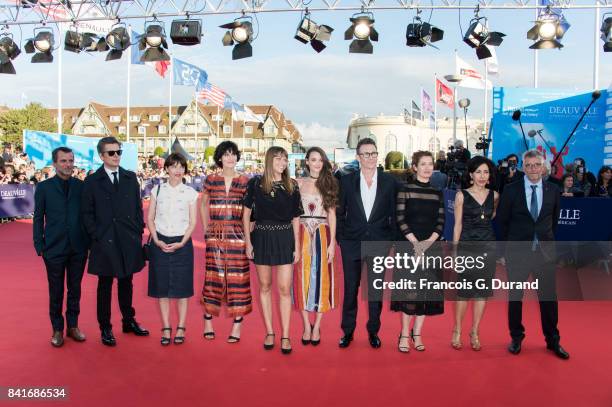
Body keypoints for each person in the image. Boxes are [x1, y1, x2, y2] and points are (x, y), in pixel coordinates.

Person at [496, 149, 569, 359]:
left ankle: (553, 340)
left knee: (548, 299)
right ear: (523, 168)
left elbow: (552, 222)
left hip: (544, 254)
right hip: (517, 254)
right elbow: (502, 222)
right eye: (528, 166)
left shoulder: (554, 190)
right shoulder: (511, 190)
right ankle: (516, 337)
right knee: (515, 297)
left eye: (536, 165)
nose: (533, 169)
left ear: (543, 166)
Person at [81, 136, 149, 346]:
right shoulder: (92, 181)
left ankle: (128, 321)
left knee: (127, 282)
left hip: (128, 239)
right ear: (102, 156)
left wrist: (138, 232)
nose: (116, 156)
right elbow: (87, 213)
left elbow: (138, 209)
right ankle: (106, 327)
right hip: (104, 240)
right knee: (105, 285)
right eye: (111, 153)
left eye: (119, 152)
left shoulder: (130, 178)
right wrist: (97, 236)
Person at [336, 138, 398, 349]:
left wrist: (390, 239)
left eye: (373, 153)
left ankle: (373, 331)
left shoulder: (390, 182)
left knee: (375, 292)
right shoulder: (346, 181)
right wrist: (342, 239)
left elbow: (395, 214)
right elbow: (339, 212)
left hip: (379, 243)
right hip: (351, 243)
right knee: (350, 290)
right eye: (366, 154)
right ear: (358, 157)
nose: (370, 157)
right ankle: (348, 331)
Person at [243, 146, 303, 354]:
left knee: (285, 289)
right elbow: (246, 214)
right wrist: (248, 242)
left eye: (284, 159)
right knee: (265, 286)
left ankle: (285, 335)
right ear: (269, 160)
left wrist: (296, 245)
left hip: (285, 237)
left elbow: (296, 217)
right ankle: (270, 331)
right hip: (262, 237)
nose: (282, 163)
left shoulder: (292, 185)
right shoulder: (255, 184)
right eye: (278, 159)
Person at [33, 147, 90, 347]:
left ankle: (73, 326)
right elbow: (39, 217)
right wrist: (39, 245)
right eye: (64, 161)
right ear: (55, 163)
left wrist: (88, 242)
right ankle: (57, 329)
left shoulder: (81, 186)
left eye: (71, 160)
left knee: (75, 289)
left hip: (78, 247)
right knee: (56, 291)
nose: (68, 164)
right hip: (54, 248)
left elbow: (87, 216)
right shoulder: (44, 188)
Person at [392, 151, 445, 353]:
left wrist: (428, 243)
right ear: (414, 167)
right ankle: (404, 334)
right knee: (409, 293)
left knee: (426, 293)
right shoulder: (405, 190)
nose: (427, 168)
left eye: (430, 164)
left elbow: (441, 222)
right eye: (423, 164)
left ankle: (417, 333)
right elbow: (400, 219)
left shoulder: (438, 192)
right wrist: (416, 244)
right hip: (409, 247)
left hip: (431, 247)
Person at [201, 141, 252, 343]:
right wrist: (207, 229)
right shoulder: (211, 180)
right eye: (226, 154)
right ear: (220, 158)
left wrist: (249, 236)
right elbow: (203, 204)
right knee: (213, 275)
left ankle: (237, 325)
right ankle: (207, 320)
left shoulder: (246, 181)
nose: (230, 158)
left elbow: (250, 212)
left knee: (238, 277)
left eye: (233, 154)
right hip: (216, 233)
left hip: (238, 234)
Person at [147, 153, 198, 346]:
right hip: (160, 242)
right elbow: (150, 218)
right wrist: (157, 240)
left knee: (182, 289)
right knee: (162, 289)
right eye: (174, 166)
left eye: (181, 167)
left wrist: (182, 242)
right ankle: (166, 327)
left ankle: (181, 327)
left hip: (182, 244)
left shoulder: (190, 193)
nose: (178, 171)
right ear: (166, 168)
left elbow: (193, 222)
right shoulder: (157, 190)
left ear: (185, 170)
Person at [451, 156, 499, 351]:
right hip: (467, 248)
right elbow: (457, 225)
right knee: (463, 293)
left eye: (485, 172)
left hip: (488, 248)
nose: (482, 176)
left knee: (482, 292)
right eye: (478, 171)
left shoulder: (495, 195)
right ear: (471, 174)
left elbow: (491, 216)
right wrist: (454, 252)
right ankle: (457, 330)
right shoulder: (461, 195)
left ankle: (475, 331)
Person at [295, 147, 339, 347]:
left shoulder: (329, 183)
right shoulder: (297, 183)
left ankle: (318, 324)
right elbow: (293, 216)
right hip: (302, 233)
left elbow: (332, 214)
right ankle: (306, 325)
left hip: (322, 232)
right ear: (306, 162)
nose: (317, 163)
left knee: (323, 278)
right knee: (301, 278)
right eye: (313, 159)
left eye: (320, 160)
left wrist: (332, 244)